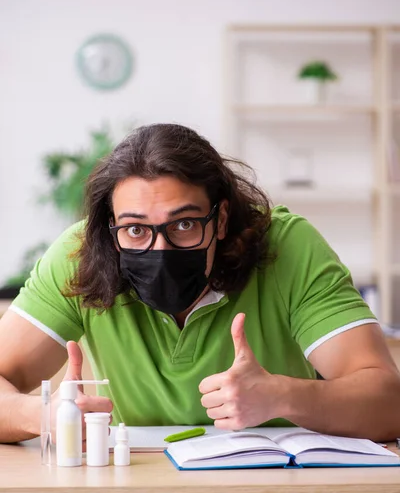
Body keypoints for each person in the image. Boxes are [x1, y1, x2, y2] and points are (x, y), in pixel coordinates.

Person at [1, 123, 399, 445]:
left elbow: (388, 402)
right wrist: (47, 415)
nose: (160, 248)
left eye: (185, 224)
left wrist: (281, 395)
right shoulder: (80, 254)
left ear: (221, 220)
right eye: (136, 229)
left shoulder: (288, 246)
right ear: (111, 230)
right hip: (135, 489)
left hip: (278, 490)